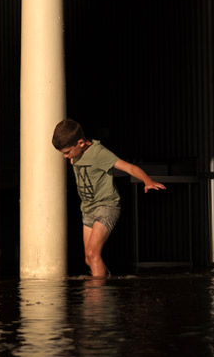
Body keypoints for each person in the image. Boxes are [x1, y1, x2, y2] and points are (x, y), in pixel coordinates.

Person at [52, 118, 165, 277]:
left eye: (67, 152)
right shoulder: (75, 154)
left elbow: (129, 167)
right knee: (88, 259)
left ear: (81, 143)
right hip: (87, 209)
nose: (66, 157)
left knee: (93, 254)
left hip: (106, 206)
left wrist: (147, 181)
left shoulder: (99, 153)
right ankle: (105, 283)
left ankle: (98, 296)